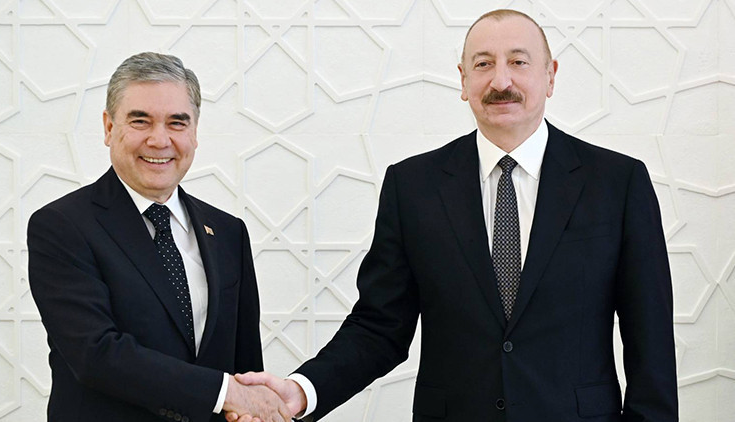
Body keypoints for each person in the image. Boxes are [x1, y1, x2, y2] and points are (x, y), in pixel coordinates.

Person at [232, 9, 678, 422]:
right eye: (483, 64)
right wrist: (302, 390)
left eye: (518, 62)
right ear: (463, 81)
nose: (500, 80)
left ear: (550, 76)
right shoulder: (413, 187)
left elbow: (650, 341)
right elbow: (380, 327)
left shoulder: (617, 183)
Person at [27, 52, 290, 422]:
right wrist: (224, 392)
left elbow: (245, 367)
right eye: (141, 121)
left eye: (177, 123)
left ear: (194, 132)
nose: (159, 139)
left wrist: (252, 404)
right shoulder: (62, 226)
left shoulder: (228, 232)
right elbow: (95, 353)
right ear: (108, 127)